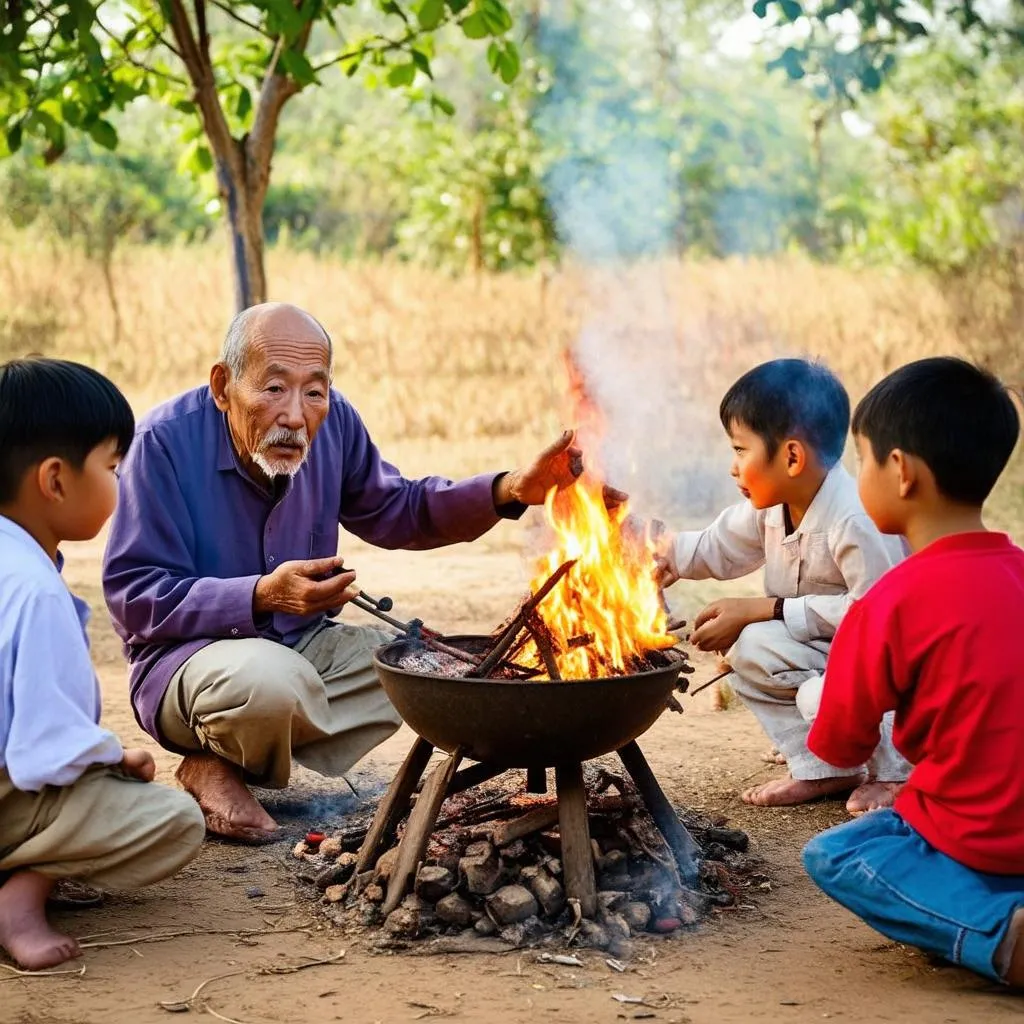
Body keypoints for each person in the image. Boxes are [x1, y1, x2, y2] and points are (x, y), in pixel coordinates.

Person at [103, 302, 600, 843]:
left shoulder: (334, 422)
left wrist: (510, 490)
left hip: (299, 645)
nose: (296, 415)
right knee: (270, 683)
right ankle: (207, 762)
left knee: (415, 674)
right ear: (223, 386)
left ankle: (228, 761)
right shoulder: (162, 443)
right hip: (186, 660)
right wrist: (260, 595)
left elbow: (400, 509)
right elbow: (134, 594)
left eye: (314, 391)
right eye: (274, 389)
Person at [803, 356, 1024, 986]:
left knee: (837, 854)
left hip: (974, 839)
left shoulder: (889, 602)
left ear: (900, 473)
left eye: (862, 461)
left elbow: (840, 743)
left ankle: (996, 934)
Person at [0, 358, 204, 971]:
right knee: (173, 818)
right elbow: (45, 752)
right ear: (56, 481)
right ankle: (22, 894)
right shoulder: (36, 592)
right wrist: (114, 758)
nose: (121, 485)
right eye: (113, 468)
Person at [655, 358, 910, 811]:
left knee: (823, 691)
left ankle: (896, 775)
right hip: (835, 651)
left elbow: (879, 620)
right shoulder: (772, 506)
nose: (733, 467)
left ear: (791, 456)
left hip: (888, 661)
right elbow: (717, 546)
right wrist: (663, 551)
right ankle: (824, 767)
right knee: (752, 650)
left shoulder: (854, 518)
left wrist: (764, 607)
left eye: (739, 450)